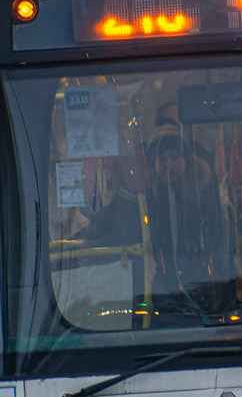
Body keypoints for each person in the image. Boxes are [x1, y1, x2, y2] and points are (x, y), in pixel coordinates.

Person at [81, 128, 229, 313]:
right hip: (154, 296)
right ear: (152, 163)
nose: (168, 165)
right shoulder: (141, 200)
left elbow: (220, 240)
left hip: (201, 287)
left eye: (174, 158)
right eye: (162, 159)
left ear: (186, 161)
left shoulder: (205, 197)